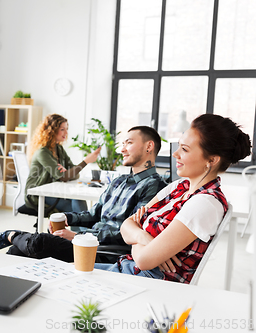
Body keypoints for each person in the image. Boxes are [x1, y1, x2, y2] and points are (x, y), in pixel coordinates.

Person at [94, 114, 252, 284]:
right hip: (128, 269)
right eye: (178, 146)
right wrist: (145, 239)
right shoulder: (179, 186)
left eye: (184, 149)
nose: (175, 154)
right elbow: (126, 226)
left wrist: (138, 234)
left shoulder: (205, 204)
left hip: (146, 282)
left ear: (211, 160)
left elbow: (144, 261)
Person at [0, 126, 166, 263]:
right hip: (88, 240)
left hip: (103, 250)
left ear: (149, 146)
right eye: (123, 144)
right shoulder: (118, 182)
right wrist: (68, 218)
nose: (122, 149)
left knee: (40, 242)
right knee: (20, 251)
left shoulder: (155, 187)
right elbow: (94, 214)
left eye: (129, 143)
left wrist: (77, 236)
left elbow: (128, 234)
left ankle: (10, 234)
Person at [24, 114, 101, 213]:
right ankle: (82, 226)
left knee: (77, 198)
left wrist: (67, 173)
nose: (66, 132)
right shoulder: (42, 152)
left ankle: (82, 227)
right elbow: (65, 176)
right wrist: (85, 161)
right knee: (72, 208)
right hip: (37, 194)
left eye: (66, 129)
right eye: (62, 129)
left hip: (54, 190)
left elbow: (75, 173)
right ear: (52, 130)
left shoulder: (59, 149)